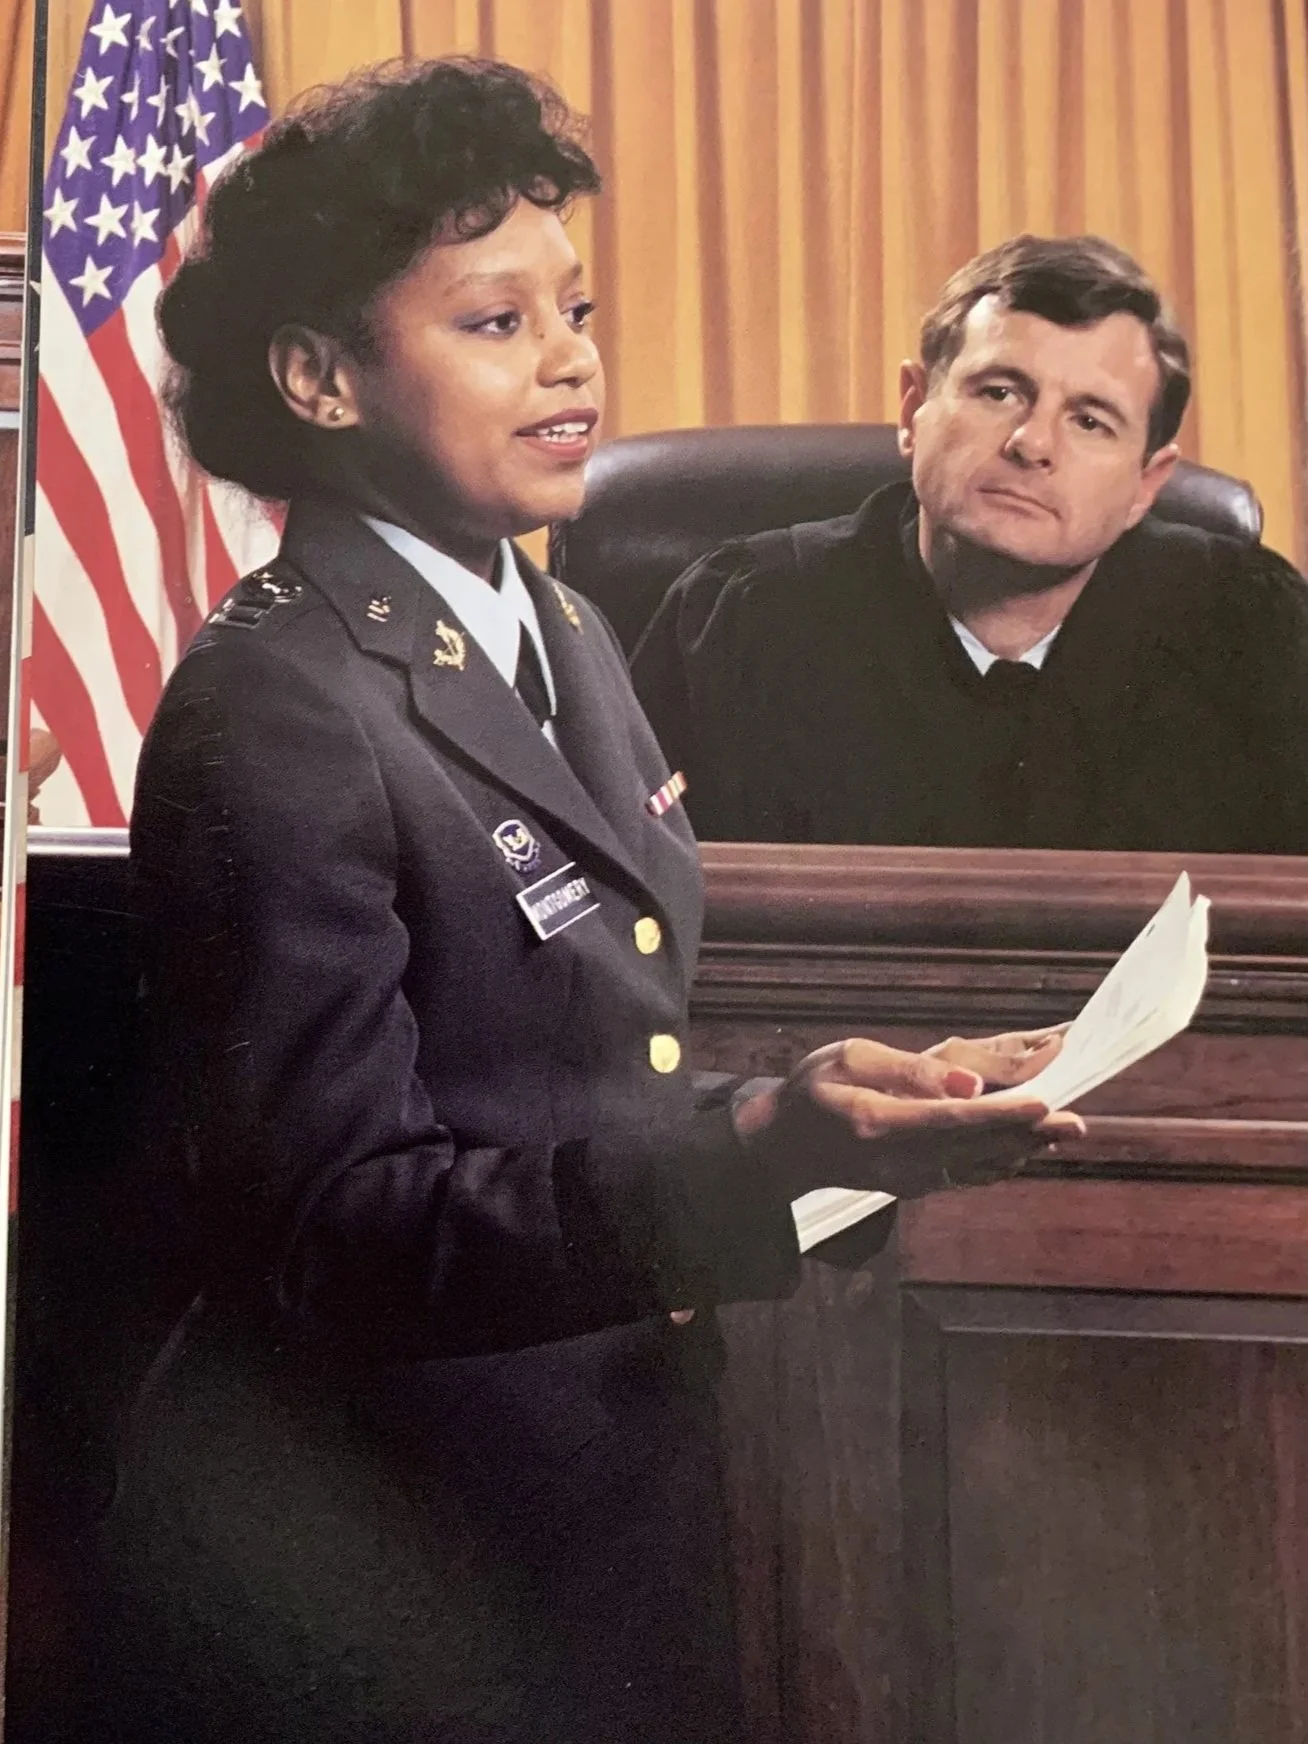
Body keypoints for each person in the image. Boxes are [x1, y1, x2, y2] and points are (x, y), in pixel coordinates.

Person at [110, 61, 1078, 1744]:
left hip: (587, 1498)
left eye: (576, 308)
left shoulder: (556, 632)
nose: (571, 356)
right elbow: (336, 1230)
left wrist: (820, 1098)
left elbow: (558, 1084)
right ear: (317, 377)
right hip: (377, 1557)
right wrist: (758, 1140)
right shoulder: (275, 703)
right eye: (495, 322)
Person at [631, 234, 1308, 851]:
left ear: (1146, 484)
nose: (1032, 442)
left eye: (1091, 421)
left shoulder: (1254, 630)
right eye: (1000, 392)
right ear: (912, 410)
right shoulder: (738, 621)